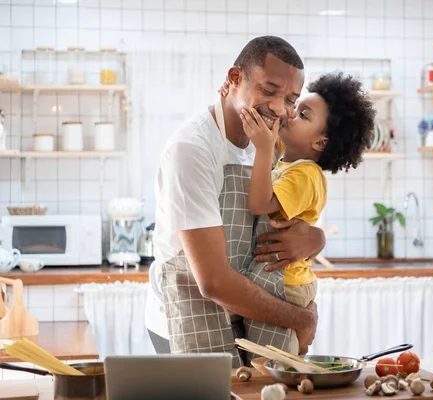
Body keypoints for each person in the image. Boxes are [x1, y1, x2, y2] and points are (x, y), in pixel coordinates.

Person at [145, 36, 326, 367]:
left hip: (247, 314)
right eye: (269, 90)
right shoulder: (193, 149)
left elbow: (283, 217)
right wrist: (301, 320)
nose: (278, 108)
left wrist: (316, 239)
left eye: (290, 99)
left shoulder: (270, 145)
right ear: (233, 79)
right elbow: (213, 281)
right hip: (189, 314)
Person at [238, 72, 375, 355]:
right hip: (277, 279)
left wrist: (264, 148)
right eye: (295, 105)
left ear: (320, 143)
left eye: (303, 115)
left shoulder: (305, 174)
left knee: (278, 362)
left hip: (286, 286)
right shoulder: (286, 160)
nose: (289, 113)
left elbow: (260, 204)